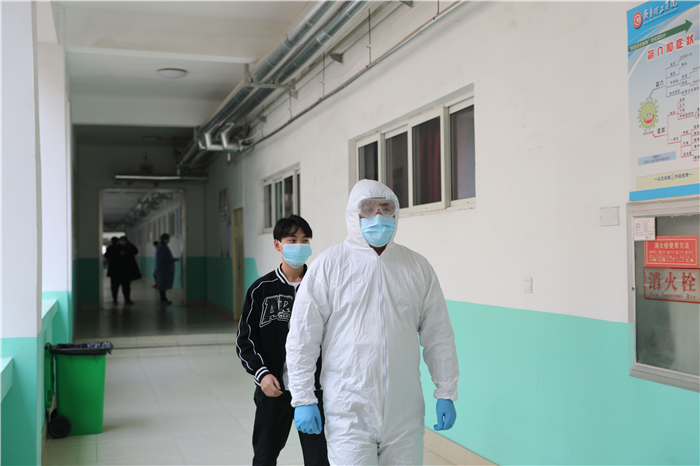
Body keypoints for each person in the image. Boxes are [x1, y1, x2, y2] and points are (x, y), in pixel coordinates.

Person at [285, 180, 459, 465]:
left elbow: (438, 334)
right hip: (349, 407)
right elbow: (303, 337)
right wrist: (303, 398)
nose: (378, 216)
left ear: (396, 213)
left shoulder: (416, 267)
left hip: (404, 411)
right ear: (354, 215)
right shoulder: (329, 265)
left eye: (386, 208)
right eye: (368, 209)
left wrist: (446, 391)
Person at [236, 215, 329, 466]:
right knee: (265, 457)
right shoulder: (261, 289)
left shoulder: (320, 287)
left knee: (319, 459)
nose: (300, 245)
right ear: (278, 245)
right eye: (292, 240)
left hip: (314, 390)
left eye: (305, 240)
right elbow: (246, 340)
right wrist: (263, 374)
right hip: (274, 389)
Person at [106, 236, 142, 305]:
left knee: (126, 286)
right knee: (115, 287)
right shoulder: (113, 248)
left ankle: (127, 299)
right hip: (115, 271)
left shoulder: (129, 247)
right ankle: (115, 299)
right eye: (121, 240)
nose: (123, 242)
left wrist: (129, 244)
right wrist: (118, 254)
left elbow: (135, 251)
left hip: (126, 271)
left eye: (124, 240)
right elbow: (109, 255)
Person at [155, 233, 179, 305]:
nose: (168, 240)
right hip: (163, 269)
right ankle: (163, 298)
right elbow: (164, 257)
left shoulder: (163, 246)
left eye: (168, 238)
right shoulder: (162, 247)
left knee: (163, 284)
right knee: (162, 284)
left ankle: (163, 298)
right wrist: (172, 259)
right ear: (163, 239)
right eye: (167, 238)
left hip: (164, 268)